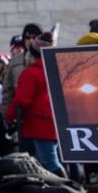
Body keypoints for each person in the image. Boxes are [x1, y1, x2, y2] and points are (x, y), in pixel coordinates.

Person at [5, 32, 65, 177]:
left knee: (49, 162)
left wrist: (8, 117)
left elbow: (22, 101)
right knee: (48, 161)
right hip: (54, 123)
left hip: (39, 125)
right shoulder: (55, 71)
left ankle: (71, 190)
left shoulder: (30, 73)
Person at [1, 23, 43, 152]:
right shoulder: (15, 61)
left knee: (48, 158)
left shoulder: (48, 58)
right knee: (28, 155)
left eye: (34, 37)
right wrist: (7, 117)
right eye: (27, 38)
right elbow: (7, 91)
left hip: (44, 117)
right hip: (22, 117)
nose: (30, 41)